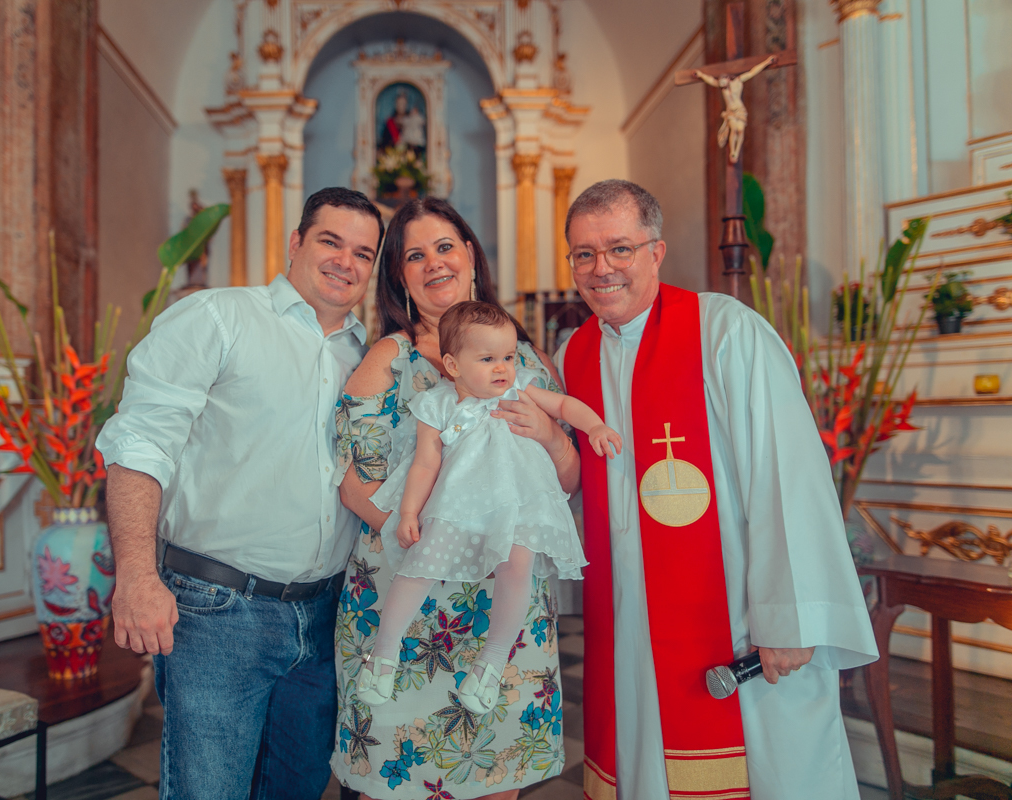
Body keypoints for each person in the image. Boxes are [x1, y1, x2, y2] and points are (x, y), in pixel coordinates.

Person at [556, 179, 878, 800]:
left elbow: (786, 474)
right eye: (584, 254)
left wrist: (787, 613)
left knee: (773, 771)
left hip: (738, 615)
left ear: (657, 251)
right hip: (630, 620)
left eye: (620, 249)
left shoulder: (723, 330)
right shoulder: (576, 352)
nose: (602, 269)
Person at [95, 187, 383, 800]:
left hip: (326, 616)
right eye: (330, 241)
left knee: (296, 789)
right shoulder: (218, 317)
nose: (345, 261)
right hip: (219, 612)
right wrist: (137, 577)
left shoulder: (370, 356)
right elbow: (141, 443)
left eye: (363, 252)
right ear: (296, 243)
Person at [333, 197, 577, 798]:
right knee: (395, 786)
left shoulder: (526, 364)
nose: (434, 262)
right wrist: (444, 543)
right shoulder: (389, 361)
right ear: (400, 277)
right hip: (409, 602)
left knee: (497, 782)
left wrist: (550, 436)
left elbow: (563, 482)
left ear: (470, 254)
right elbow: (353, 483)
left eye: (445, 246)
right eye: (415, 255)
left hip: (506, 611)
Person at [356, 301, 618, 714]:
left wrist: (595, 425)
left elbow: (564, 407)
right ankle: (383, 657)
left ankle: (491, 665)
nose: (503, 368)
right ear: (453, 365)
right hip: (458, 505)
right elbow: (425, 463)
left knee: (518, 568)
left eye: (509, 357)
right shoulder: (437, 404)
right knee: (419, 568)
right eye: (488, 358)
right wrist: (408, 512)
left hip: (517, 504)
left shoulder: (520, 388)